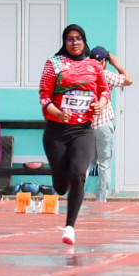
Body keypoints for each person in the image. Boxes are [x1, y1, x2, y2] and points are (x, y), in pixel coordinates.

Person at [39, 24, 108, 246]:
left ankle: (70, 227)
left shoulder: (94, 66)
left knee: (79, 174)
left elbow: (104, 91)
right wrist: (58, 112)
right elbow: (44, 96)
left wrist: (101, 104)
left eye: (79, 38)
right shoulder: (54, 64)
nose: (75, 42)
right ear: (64, 42)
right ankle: (60, 180)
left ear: (85, 41)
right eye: (70, 39)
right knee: (61, 186)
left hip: (83, 130)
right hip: (56, 131)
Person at [87, 45, 132, 204]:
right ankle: (101, 199)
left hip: (87, 127)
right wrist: (117, 64)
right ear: (104, 61)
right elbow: (128, 80)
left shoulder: (85, 75)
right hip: (104, 125)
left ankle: (77, 195)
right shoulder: (105, 74)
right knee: (104, 163)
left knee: (87, 161)